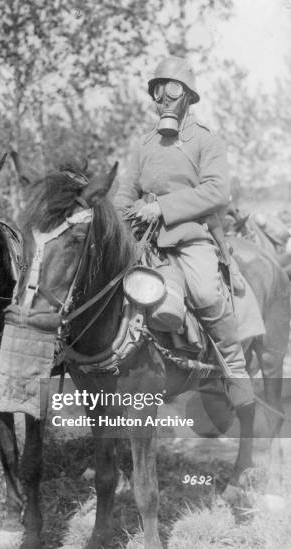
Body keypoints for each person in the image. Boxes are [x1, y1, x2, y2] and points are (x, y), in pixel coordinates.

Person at [113, 55, 254, 411]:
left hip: (191, 237)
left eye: (171, 89)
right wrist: (114, 225)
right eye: (157, 90)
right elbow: (125, 192)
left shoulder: (208, 141)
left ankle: (235, 369)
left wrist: (162, 207)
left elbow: (217, 192)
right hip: (143, 237)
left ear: (188, 96)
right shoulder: (144, 144)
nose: (163, 98)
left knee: (206, 292)